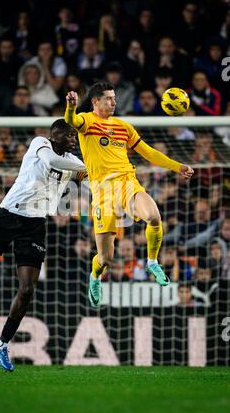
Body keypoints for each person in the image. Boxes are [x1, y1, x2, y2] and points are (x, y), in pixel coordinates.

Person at [0, 120, 86, 372]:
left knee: (28, 288)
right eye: (69, 135)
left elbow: (85, 180)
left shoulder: (73, 161)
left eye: (75, 136)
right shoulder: (39, 144)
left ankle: (1, 343)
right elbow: (53, 163)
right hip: (8, 215)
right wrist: (85, 166)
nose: (74, 139)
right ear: (55, 134)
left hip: (34, 225)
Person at [65, 82, 194, 308]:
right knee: (106, 258)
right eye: (109, 98)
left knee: (153, 216)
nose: (114, 102)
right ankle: (95, 276)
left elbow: (149, 153)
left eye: (115, 98)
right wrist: (71, 107)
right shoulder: (87, 121)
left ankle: (152, 261)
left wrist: (177, 166)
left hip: (127, 183)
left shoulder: (124, 127)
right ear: (96, 102)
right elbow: (71, 121)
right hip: (103, 192)